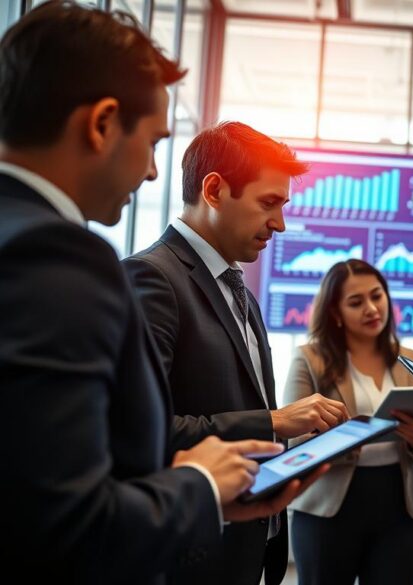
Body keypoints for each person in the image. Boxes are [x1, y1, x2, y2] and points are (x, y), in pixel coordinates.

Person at [0, 3, 324, 583]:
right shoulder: (58, 258)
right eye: (152, 142)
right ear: (101, 124)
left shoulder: (239, 292)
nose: (152, 173)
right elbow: (59, 519)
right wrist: (201, 483)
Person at [123, 122, 351, 585]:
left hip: (245, 542)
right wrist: (273, 421)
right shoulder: (153, 278)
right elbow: (141, 431)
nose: (280, 224)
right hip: (191, 551)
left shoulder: (236, 286)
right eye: (268, 203)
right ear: (214, 189)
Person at [284, 259, 413, 585]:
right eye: (356, 302)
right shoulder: (309, 359)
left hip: (400, 505)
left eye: (377, 296)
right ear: (335, 313)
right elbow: (293, 443)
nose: (371, 309)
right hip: (329, 507)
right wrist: (348, 439)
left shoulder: (411, 359)